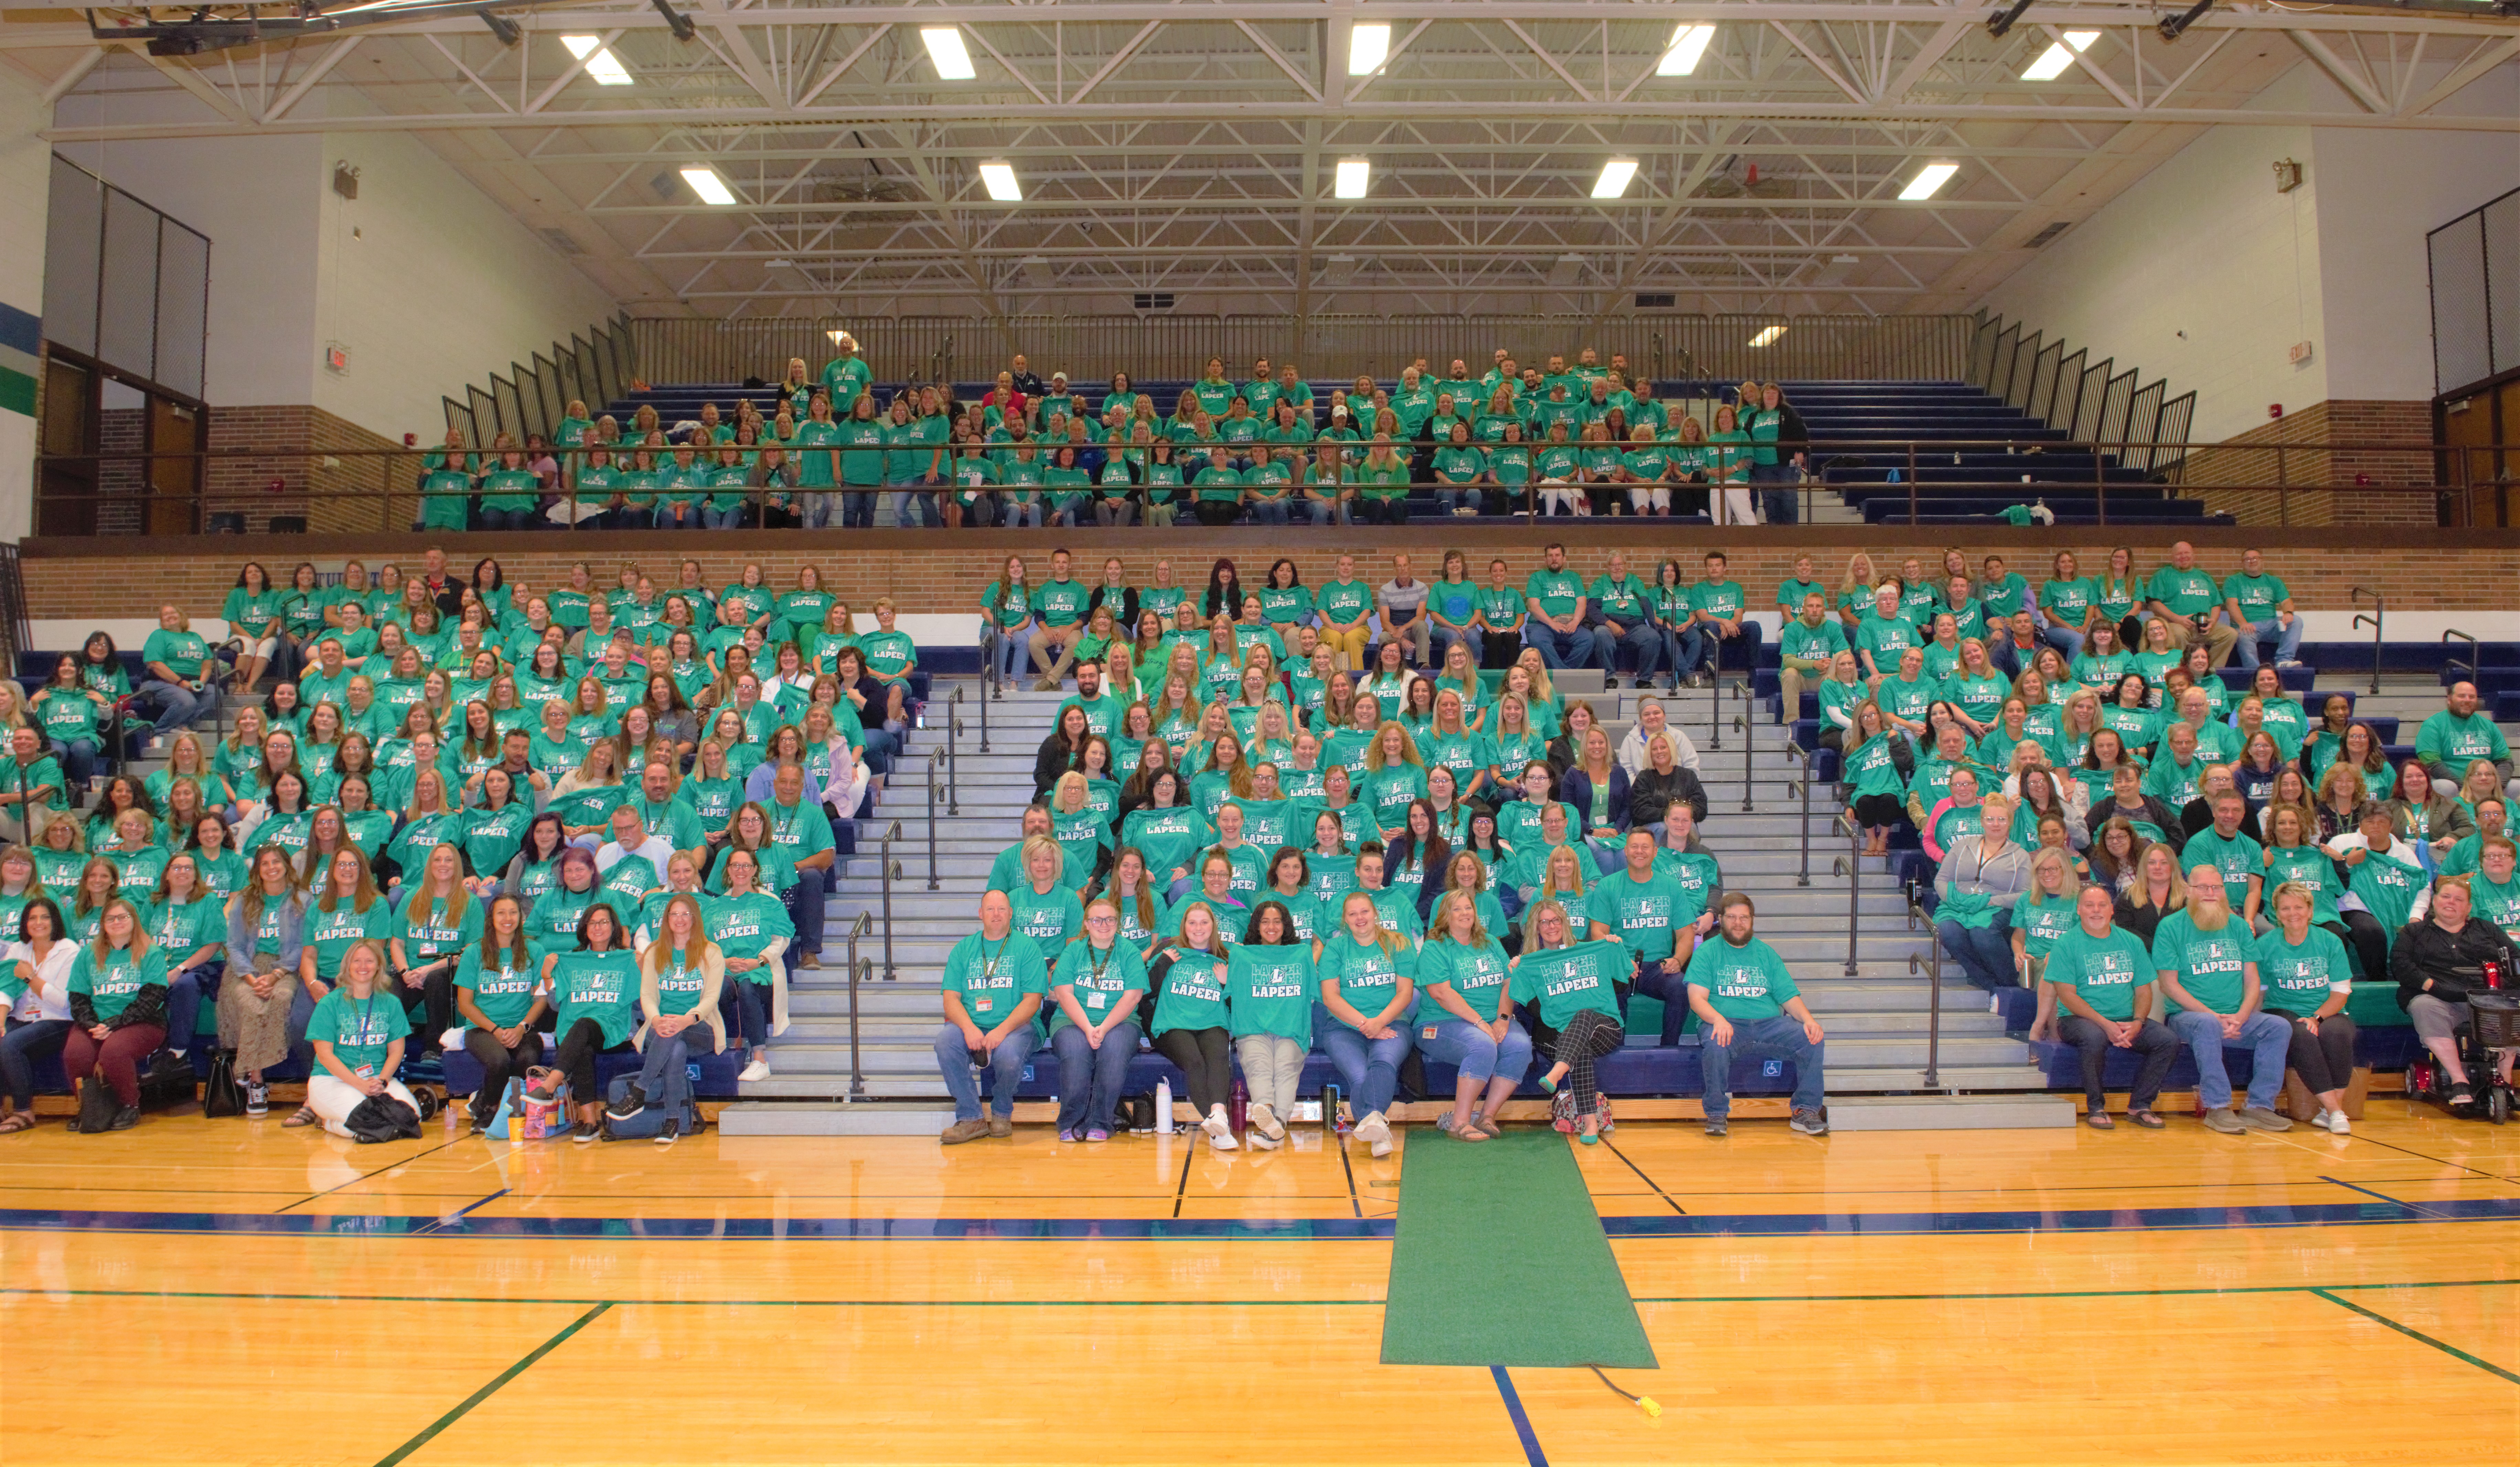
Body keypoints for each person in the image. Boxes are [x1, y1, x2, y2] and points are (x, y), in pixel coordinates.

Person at [2151, 866, 2294, 1134]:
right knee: (2206, 1024)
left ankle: (2259, 1107)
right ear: (2187, 891)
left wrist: (2241, 1015)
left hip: (2236, 1017)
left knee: (2278, 1027)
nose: (2210, 893)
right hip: (2187, 1017)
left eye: (2216, 887)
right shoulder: (2170, 927)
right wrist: (2214, 1016)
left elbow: (2252, 980)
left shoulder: (2238, 926)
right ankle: (2217, 1108)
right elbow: (2168, 985)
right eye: (2203, 887)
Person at [1685, 892, 1828, 1136]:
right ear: (1720, 919)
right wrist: (1718, 1020)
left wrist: (1809, 1020)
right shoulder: (1707, 952)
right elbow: (1696, 999)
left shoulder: (1766, 954)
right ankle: (1717, 1113)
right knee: (1716, 1042)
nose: (1738, 923)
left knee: (1811, 1038)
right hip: (1726, 1024)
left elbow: (1788, 996)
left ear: (1752, 921)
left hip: (1769, 1025)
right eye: (1731, 917)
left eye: (1744, 918)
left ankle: (1804, 1110)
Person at [2045, 882, 2181, 1128]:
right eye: (2089, 905)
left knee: (2167, 1040)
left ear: (2111, 910)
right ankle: (2096, 1107)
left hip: (2126, 1018)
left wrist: (2138, 1022)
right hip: (2077, 1020)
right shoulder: (2065, 944)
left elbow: (2143, 990)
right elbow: (2067, 996)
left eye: (2102, 905)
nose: (2096, 911)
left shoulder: (2131, 942)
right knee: (2094, 1037)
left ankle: (2140, 1105)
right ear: (2079, 910)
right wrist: (2105, 1024)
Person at [2392, 875, 2520, 1111]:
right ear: (2434, 901)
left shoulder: (2487, 930)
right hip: (2439, 997)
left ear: (2468, 907)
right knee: (2424, 1006)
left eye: (2459, 899)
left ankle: (2505, 1079)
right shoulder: (2414, 932)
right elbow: (2401, 964)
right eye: (2446, 896)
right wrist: (2432, 985)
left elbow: (2514, 959)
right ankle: (2458, 1080)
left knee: (2513, 1009)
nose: (2451, 902)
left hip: (2487, 999)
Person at [605, 893, 724, 1146]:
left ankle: (639, 1092)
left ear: (695, 918)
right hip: (660, 1027)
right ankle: (672, 1122)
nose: (680, 919)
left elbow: (712, 998)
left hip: (699, 1027)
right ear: (666, 919)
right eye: (674, 914)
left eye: (685, 914)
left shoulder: (711, 952)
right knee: (675, 1046)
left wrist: (686, 1019)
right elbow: (647, 995)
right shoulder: (654, 952)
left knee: (677, 1036)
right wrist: (658, 1019)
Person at [1506, 899, 1626, 1142]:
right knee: (1577, 1042)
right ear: (1536, 929)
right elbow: (1535, 1010)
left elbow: (1620, 985)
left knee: (1583, 1014)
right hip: (1556, 1035)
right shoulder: (1529, 963)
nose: (1551, 926)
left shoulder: (1591, 950)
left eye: (1556, 920)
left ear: (1564, 923)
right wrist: (1519, 970)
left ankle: (1558, 1071)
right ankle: (1590, 1124)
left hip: (1603, 1028)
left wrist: (1612, 947)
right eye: (1544, 922)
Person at [936, 890, 1048, 1144]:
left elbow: (1032, 1001)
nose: (996, 914)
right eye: (990, 909)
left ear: (1011, 914)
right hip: (973, 1023)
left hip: (1019, 1026)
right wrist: (968, 1029)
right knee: (945, 1043)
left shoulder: (1027, 948)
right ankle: (971, 1117)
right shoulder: (964, 949)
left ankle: (1001, 1111)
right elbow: (950, 998)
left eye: (1001, 909)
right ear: (980, 914)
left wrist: (1001, 1030)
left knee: (1008, 1056)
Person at [1415, 888, 1528, 1140]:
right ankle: (1459, 1123)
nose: (1465, 913)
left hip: (1491, 1018)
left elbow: (1509, 983)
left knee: (1520, 1046)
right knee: (1482, 1045)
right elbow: (1441, 993)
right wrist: (1479, 1022)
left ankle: (1486, 1117)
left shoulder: (1489, 942)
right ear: (1445, 916)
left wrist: (1502, 1019)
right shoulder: (1435, 948)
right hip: (1440, 1023)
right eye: (1457, 909)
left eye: (1468, 908)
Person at [1314, 889, 1414, 1158]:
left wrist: (1379, 1022)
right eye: (1352, 914)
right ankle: (1378, 1130)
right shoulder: (1335, 948)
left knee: (1382, 1063)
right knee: (1359, 1075)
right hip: (1342, 1028)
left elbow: (1405, 993)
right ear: (1345, 920)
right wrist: (1364, 1024)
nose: (1360, 918)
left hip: (1393, 1023)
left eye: (1364, 912)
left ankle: (1373, 1126)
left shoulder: (1399, 944)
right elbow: (1329, 996)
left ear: (1375, 914)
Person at [2258, 880, 2359, 1134]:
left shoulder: (2329, 941)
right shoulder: (2265, 945)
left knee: (2336, 1033)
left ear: (2310, 911)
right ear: (2276, 914)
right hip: (2281, 1009)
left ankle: (2329, 1111)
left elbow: (2340, 993)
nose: (2292, 913)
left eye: (2298, 907)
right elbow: (2257, 992)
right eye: (2285, 908)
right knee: (2300, 1033)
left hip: (2327, 1009)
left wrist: (2317, 1016)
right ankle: (2335, 1112)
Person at [1046, 896, 1148, 1143]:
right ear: (1087, 924)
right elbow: (1063, 993)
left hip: (1120, 1022)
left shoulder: (1129, 952)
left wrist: (1103, 1028)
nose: (1104, 924)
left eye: (1110, 919)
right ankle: (1071, 1122)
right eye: (1097, 920)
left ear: (1118, 923)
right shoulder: (1073, 951)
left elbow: (1133, 996)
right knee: (1075, 1051)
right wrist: (1088, 1027)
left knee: (1113, 1051)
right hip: (1072, 1021)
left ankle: (1101, 1122)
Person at [62, 898, 170, 1131]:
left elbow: (151, 999)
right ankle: (89, 1107)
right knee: (75, 1053)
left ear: (134, 920)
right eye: (110, 918)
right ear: (103, 924)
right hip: (96, 1022)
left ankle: (130, 1106)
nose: (117, 922)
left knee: (114, 1051)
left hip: (143, 1022)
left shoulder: (151, 952)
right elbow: (78, 998)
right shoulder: (87, 954)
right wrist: (92, 1024)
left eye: (123, 917)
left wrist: (114, 1024)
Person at [301, 939, 424, 1138]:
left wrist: (382, 1082)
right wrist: (360, 1085)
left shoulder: (391, 1003)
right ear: (347, 966)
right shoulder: (330, 1003)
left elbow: (396, 1051)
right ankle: (329, 1122)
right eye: (357, 961)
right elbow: (324, 1055)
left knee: (412, 1116)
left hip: (376, 1079)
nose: (363, 967)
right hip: (332, 1080)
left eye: (370, 961)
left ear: (378, 967)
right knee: (368, 1120)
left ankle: (355, 1125)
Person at [218, 846, 307, 1121]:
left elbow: (303, 945)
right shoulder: (245, 901)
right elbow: (233, 946)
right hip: (246, 969)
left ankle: (246, 1072)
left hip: (285, 969)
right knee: (252, 1005)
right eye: (265, 864)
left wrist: (276, 975)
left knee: (280, 1000)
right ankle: (257, 1083)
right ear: (257, 870)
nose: (271, 868)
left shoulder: (302, 900)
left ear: (286, 866)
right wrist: (252, 977)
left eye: (276, 862)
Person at [542, 901, 640, 1143]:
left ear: (614, 927)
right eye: (592, 923)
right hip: (578, 1034)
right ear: (585, 928)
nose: (598, 927)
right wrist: (546, 976)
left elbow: (639, 1002)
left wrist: (642, 967)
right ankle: (589, 1123)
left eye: (604, 922)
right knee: (582, 1046)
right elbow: (555, 1005)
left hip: (615, 1033)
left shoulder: (628, 959)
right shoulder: (569, 961)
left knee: (585, 1023)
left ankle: (550, 1084)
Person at [452, 894, 548, 1133]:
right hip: (482, 1028)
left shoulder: (535, 950)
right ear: (491, 919)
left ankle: (502, 1104)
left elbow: (541, 999)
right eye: (501, 913)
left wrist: (521, 1028)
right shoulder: (475, 952)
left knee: (528, 1058)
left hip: (522, 1027)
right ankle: (489, 1110)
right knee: (499, 1060)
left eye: (513, 913)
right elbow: (465, 1004)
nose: (508, 918)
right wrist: (494, 1030)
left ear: (522, 917)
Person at [1229, 902, 1315, 1149]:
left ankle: (1273, 1124)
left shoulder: (1301, 954)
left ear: (1285, 925)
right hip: (1254, 1026)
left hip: (1291, 1026)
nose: (1271, 927)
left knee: (1286, 1067)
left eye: (1277, 921)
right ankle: (1267, 1113)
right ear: (1256, 926)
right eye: (1265, 921)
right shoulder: (1241, 955)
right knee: (1259, 1066)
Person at [1935, 793, 2031, 992]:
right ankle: (1990, 986)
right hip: (1957, 905)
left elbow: (2025, 894)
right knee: (1948, 932)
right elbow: (1941, 880)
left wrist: (1992, 902)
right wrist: (1956, 900)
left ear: (2010, 823)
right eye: (1990, 819)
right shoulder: (1962, 847)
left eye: (2002, 819)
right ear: (1982, 822)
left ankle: (2010, 984)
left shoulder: (2020, 855)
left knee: (1982, 934)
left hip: (1996, 908)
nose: (1996, 824)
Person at [0, 899, 77, 1133]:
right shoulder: (17, 950)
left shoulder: (69, 950)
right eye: (32, 918)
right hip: (21, 1018)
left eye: (45, 917)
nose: (39, 923)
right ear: (25, 923)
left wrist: (30, 978)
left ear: (55, 921)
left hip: (57, 1020)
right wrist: (1, 1021)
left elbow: (64, 1001)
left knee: (10, 1045)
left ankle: (24, 1111)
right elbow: (4, 989)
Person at [2415, 682, 2515, 801]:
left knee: (2516, 787)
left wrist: (2496, 785)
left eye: (2472, 697)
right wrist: (2467, 787)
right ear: (2449, 699)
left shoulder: (2488, 725)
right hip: (2454, 785)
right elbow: (2432, 765)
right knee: (2445, 787)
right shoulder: (2433, 725)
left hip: (2487, 784)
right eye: (2462, 696)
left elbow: (2505, 761)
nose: (2467, 700)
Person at [2221, 549, 2301, 670]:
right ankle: (2254, 671)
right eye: (2248, 559)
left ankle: (2284, 660)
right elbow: (2232, 604)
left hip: (2271, 625)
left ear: (2262, 561)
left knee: (2296, 621)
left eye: (2255, 558)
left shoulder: (2274, 581)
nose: (2252, 561)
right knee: (2243, 635)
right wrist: (2243, 623)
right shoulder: (2234, 581)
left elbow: (2286, 602)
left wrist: (2288, 613)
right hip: (2248, 625)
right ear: (2242, 563)